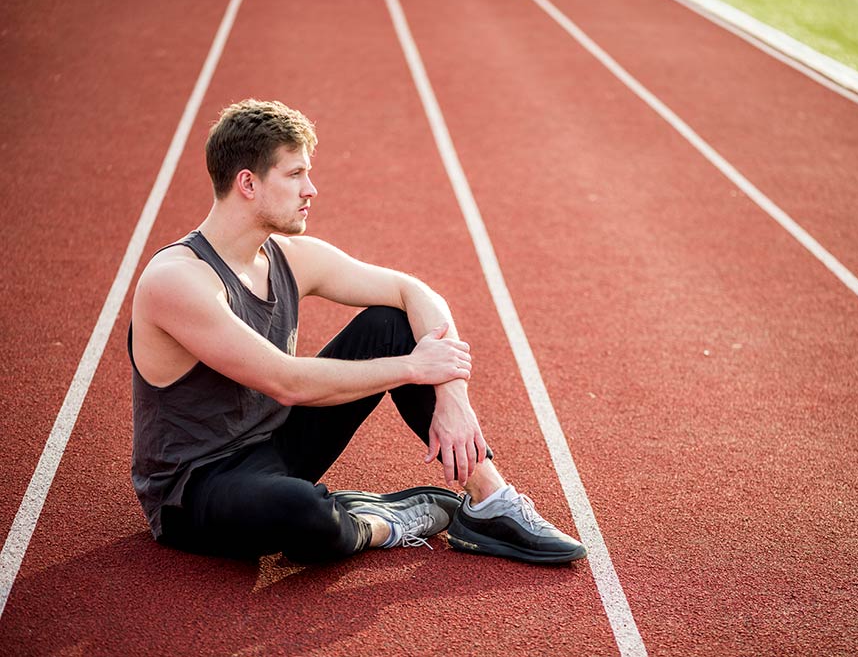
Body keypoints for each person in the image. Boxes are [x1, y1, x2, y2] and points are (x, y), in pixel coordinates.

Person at [128, 99, 586, 565]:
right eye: (294, 175)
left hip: (275, 446)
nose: (312, 189)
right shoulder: (179, 280)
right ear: (247, 182)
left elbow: (414, 291)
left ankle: (490, 501)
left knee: (391, 322)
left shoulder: (290, 257)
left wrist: (452, 394)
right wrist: (411, 368)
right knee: (300, 510)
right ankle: (385, 522)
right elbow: (286, 382)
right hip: (197, 488)